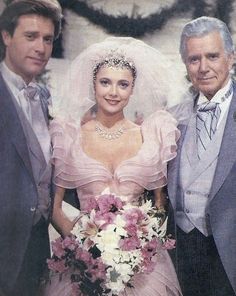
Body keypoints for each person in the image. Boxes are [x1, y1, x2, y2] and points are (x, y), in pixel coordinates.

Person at [42, 37, 187, 296]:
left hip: (142, 269)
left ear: (132, 89)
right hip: (82, 264)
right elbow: (54, 208)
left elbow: (160, 205)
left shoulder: (150, 134)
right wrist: (87, 248)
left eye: (123, 84)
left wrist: (136, 247)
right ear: (93, 85)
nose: (113, 92)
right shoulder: (69, 134)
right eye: (105, 82)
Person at [167, 16, 236, 296]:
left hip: (230, 254)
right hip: (180, 254)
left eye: (212, 56)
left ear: (231, 58)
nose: (204, 67)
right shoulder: (171, 117)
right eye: (194, 59)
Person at [0, 1, 62, 295]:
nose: (40, 47)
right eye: (30, 36)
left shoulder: (44, 97)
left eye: (47, 39)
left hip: (36, 248)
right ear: (6, 36)